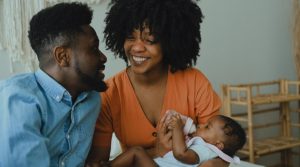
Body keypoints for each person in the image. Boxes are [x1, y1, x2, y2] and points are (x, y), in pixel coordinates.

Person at [87, 0, 225, 166]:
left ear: (170, 42)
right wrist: (157, 152)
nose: (137, 48)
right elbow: (99, 163)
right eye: (130, 37)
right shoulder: (109, 93)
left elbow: (220, 150)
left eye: (149, 40)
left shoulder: (195, 82)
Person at [0, 2, 107, 167]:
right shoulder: (18, 98)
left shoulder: (91, 100)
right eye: (93, 49)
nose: (103, 58)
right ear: (63, 56)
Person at [104, 114, 246, 167]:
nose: (201, 125)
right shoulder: (200, 144)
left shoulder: (207, 150)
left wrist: (177, 128)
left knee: (137, 152)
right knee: (135, 155)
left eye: (207, 127)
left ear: (218, 145)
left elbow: (181, 154)